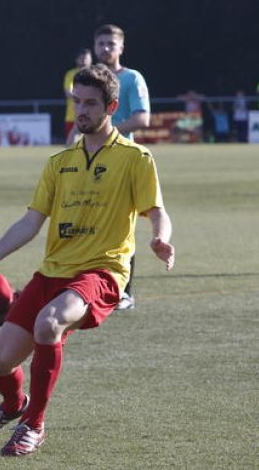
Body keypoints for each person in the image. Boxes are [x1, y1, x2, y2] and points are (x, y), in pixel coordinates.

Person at [0, 63, 174, 458]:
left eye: (91, 103)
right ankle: (13, 405)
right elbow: (30, 222)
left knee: (50, 322)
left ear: (112, 107)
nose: (82, 111)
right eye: (77, 102)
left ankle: (34, 424)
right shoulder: (59, 163)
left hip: (102, 271)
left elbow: (157, 210)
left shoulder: (136, 158)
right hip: (52, 272)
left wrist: (161, 238)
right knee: (0, 363)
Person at [93, 24, 151, 310]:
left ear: (121, 47)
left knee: (121, 224)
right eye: (101, 43)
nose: (106, 48)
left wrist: (110, 131)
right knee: (90, 221)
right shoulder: (90, 78)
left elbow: (142, 118)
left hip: (121, 158)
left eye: (111, 44)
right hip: (89, 159)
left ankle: (124, 291)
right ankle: (92, 285)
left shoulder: (131, 79)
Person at [62, 49, 92, 144]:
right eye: (81, 58)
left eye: (86, 58)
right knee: (71, 148)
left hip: (92, 116)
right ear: (77, 60)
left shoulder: (96, 74)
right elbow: (68, 92)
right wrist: (86, 99)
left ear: (90, 59)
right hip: (72, 116)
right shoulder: (71, 74)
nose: (83, 61)